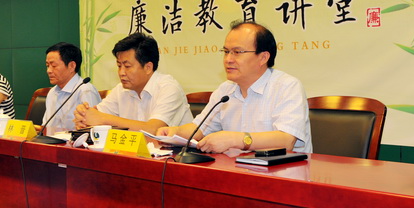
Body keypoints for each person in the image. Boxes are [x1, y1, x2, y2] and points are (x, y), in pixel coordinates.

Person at [157, 21, 312, 154]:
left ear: (263, 57)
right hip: (237, 170)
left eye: (237, 52)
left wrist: (235, 139)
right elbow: (199, 129)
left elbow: (286, 140)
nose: (228, 59)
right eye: (226, 52)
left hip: (284, 173)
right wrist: (175, 132)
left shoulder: (287, 87)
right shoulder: (225, 90)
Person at [74, 33, 192, 135]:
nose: (121, 72)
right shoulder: (121, 89)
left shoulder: (169, 88)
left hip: (175, 153)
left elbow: (154, 130)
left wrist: (102, 119)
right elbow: (96, 115)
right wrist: (84, 116)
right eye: (119, 66)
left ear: (148, 67)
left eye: (127, 66)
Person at [41, 42, 102, 133]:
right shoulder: (52, 92)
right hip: (51, 140)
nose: (49, 71)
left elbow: (94, 130)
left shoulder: (85, 91)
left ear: (72, 66)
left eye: (54, 66)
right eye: (47, 66)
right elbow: (46, 127)